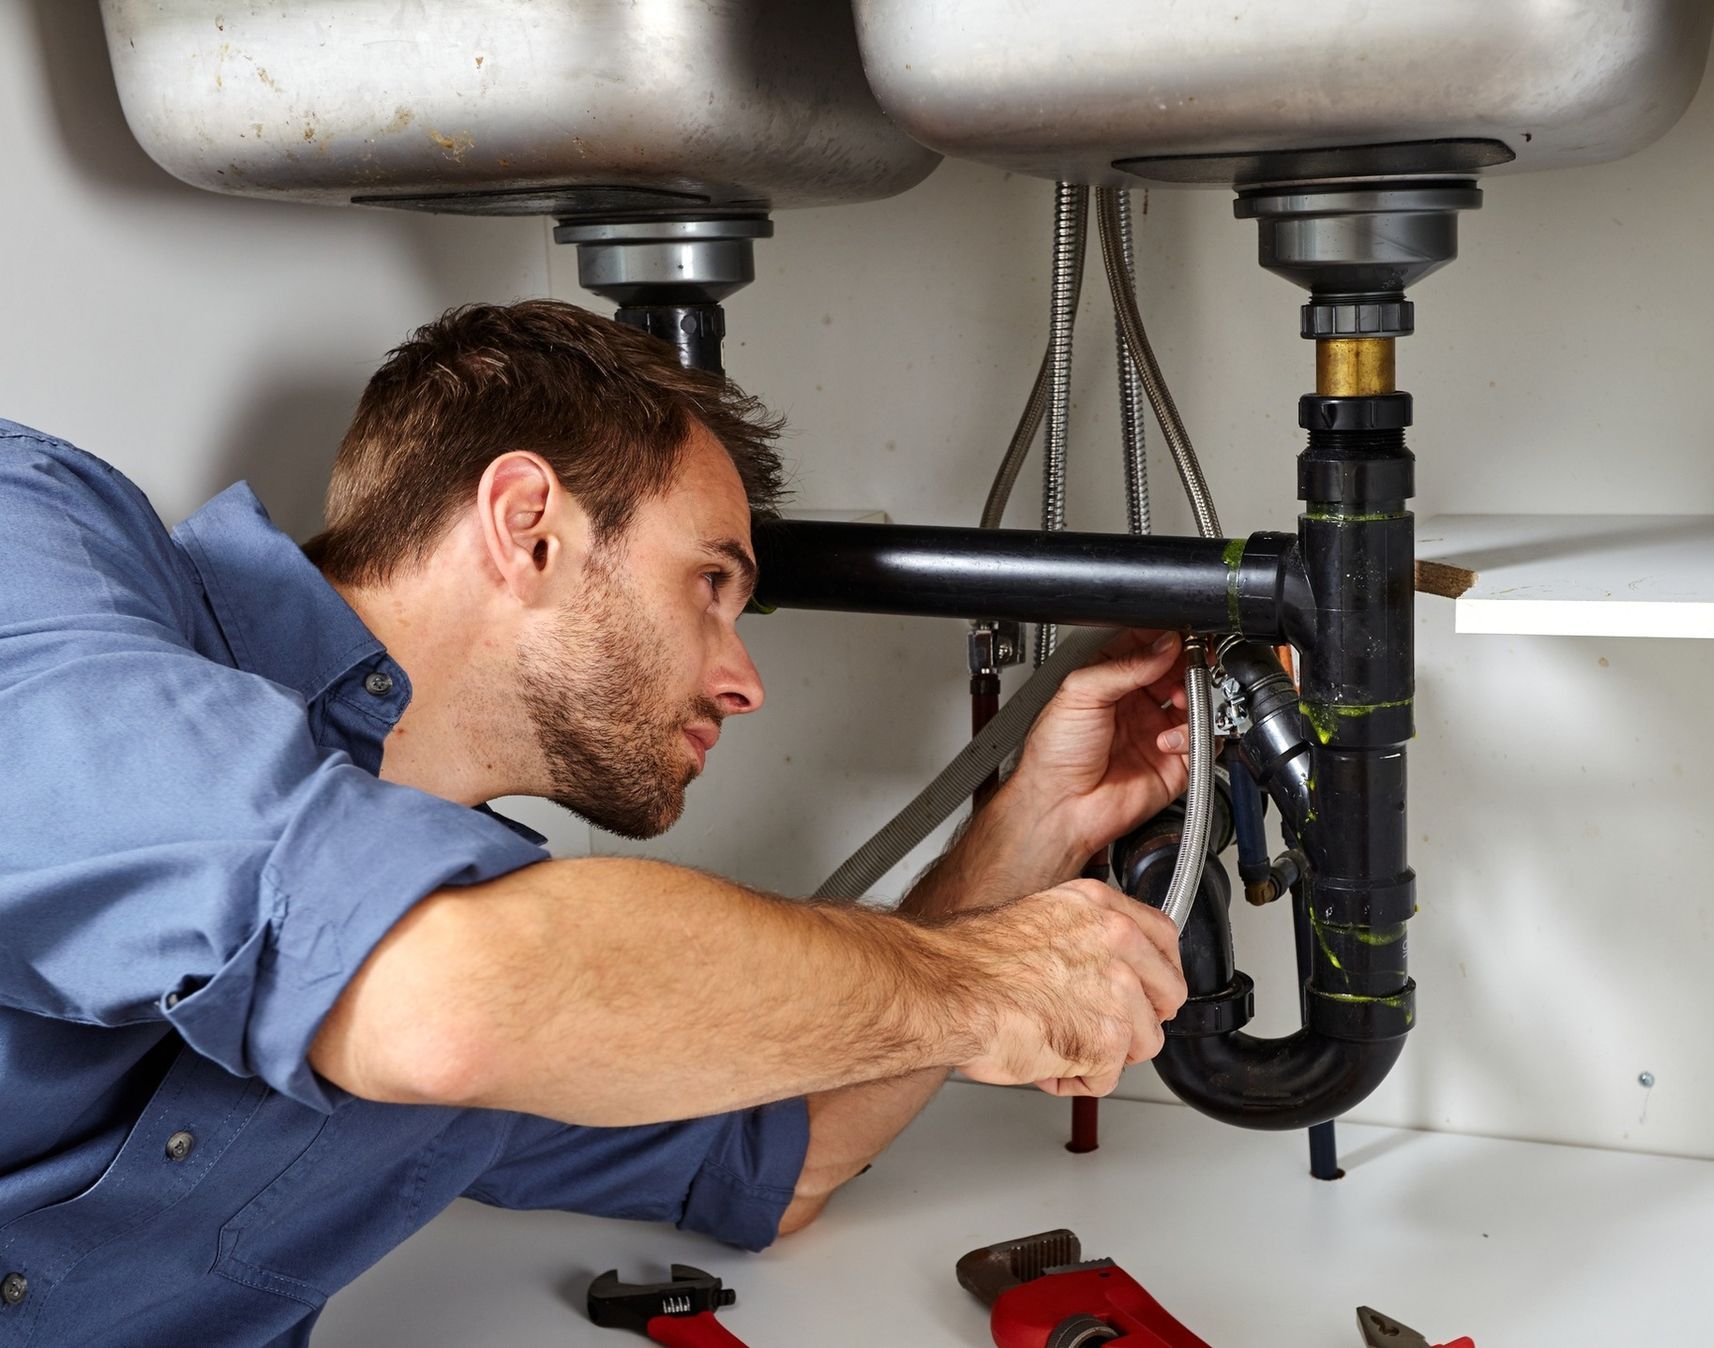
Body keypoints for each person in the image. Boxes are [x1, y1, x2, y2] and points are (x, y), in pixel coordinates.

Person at [0, 300, 1192, 1345]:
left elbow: (781, 1160)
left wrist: (1032, 827)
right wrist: (979, 983)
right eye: (713, 583)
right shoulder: (37, 557)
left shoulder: (534, 974)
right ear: (529, 526)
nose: (745, 681)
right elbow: (448, 998)